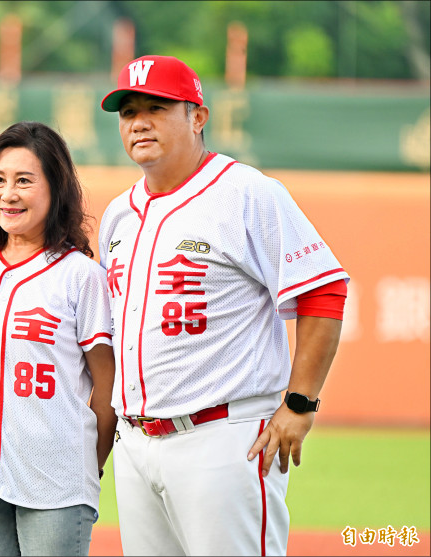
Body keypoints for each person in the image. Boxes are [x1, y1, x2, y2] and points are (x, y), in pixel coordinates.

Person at [98, 55, 349, 556]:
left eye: (157, 107)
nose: (139, 122)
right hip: (137, 442)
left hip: (222, 437)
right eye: (128, 111)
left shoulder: (246, 193)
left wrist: (300, 404)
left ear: (198, 116)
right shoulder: (119, 214)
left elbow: (324, 291)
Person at [0, 121, 117, 556]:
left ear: (56, 189)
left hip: (56, 485)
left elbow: (106, 390)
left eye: (24, 181)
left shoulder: (81, 276)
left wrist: (88, 464)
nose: (8, 194)